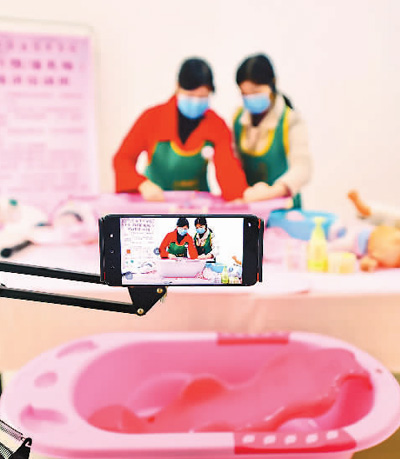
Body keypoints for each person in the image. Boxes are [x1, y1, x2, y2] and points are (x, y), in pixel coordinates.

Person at [113, 57, 249, 202]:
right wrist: (141, 184)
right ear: (177, 87)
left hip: (197, 206)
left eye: (202, 97)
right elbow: (122, 159)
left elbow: (228, 169)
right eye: (190, 95)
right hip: (156, 202)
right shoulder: (152, 118)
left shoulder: (217, 125)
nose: (196, 102)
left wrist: (238, 196)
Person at [233, 54, 312, 207]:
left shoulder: (291, 120)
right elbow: (232, 160)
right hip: (249, 206)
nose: (250, 98)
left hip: (284, 208)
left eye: (256, 92)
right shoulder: (238, 119)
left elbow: (303, 168)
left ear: (272, 84)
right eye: (245, 94)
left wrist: (273, 192)